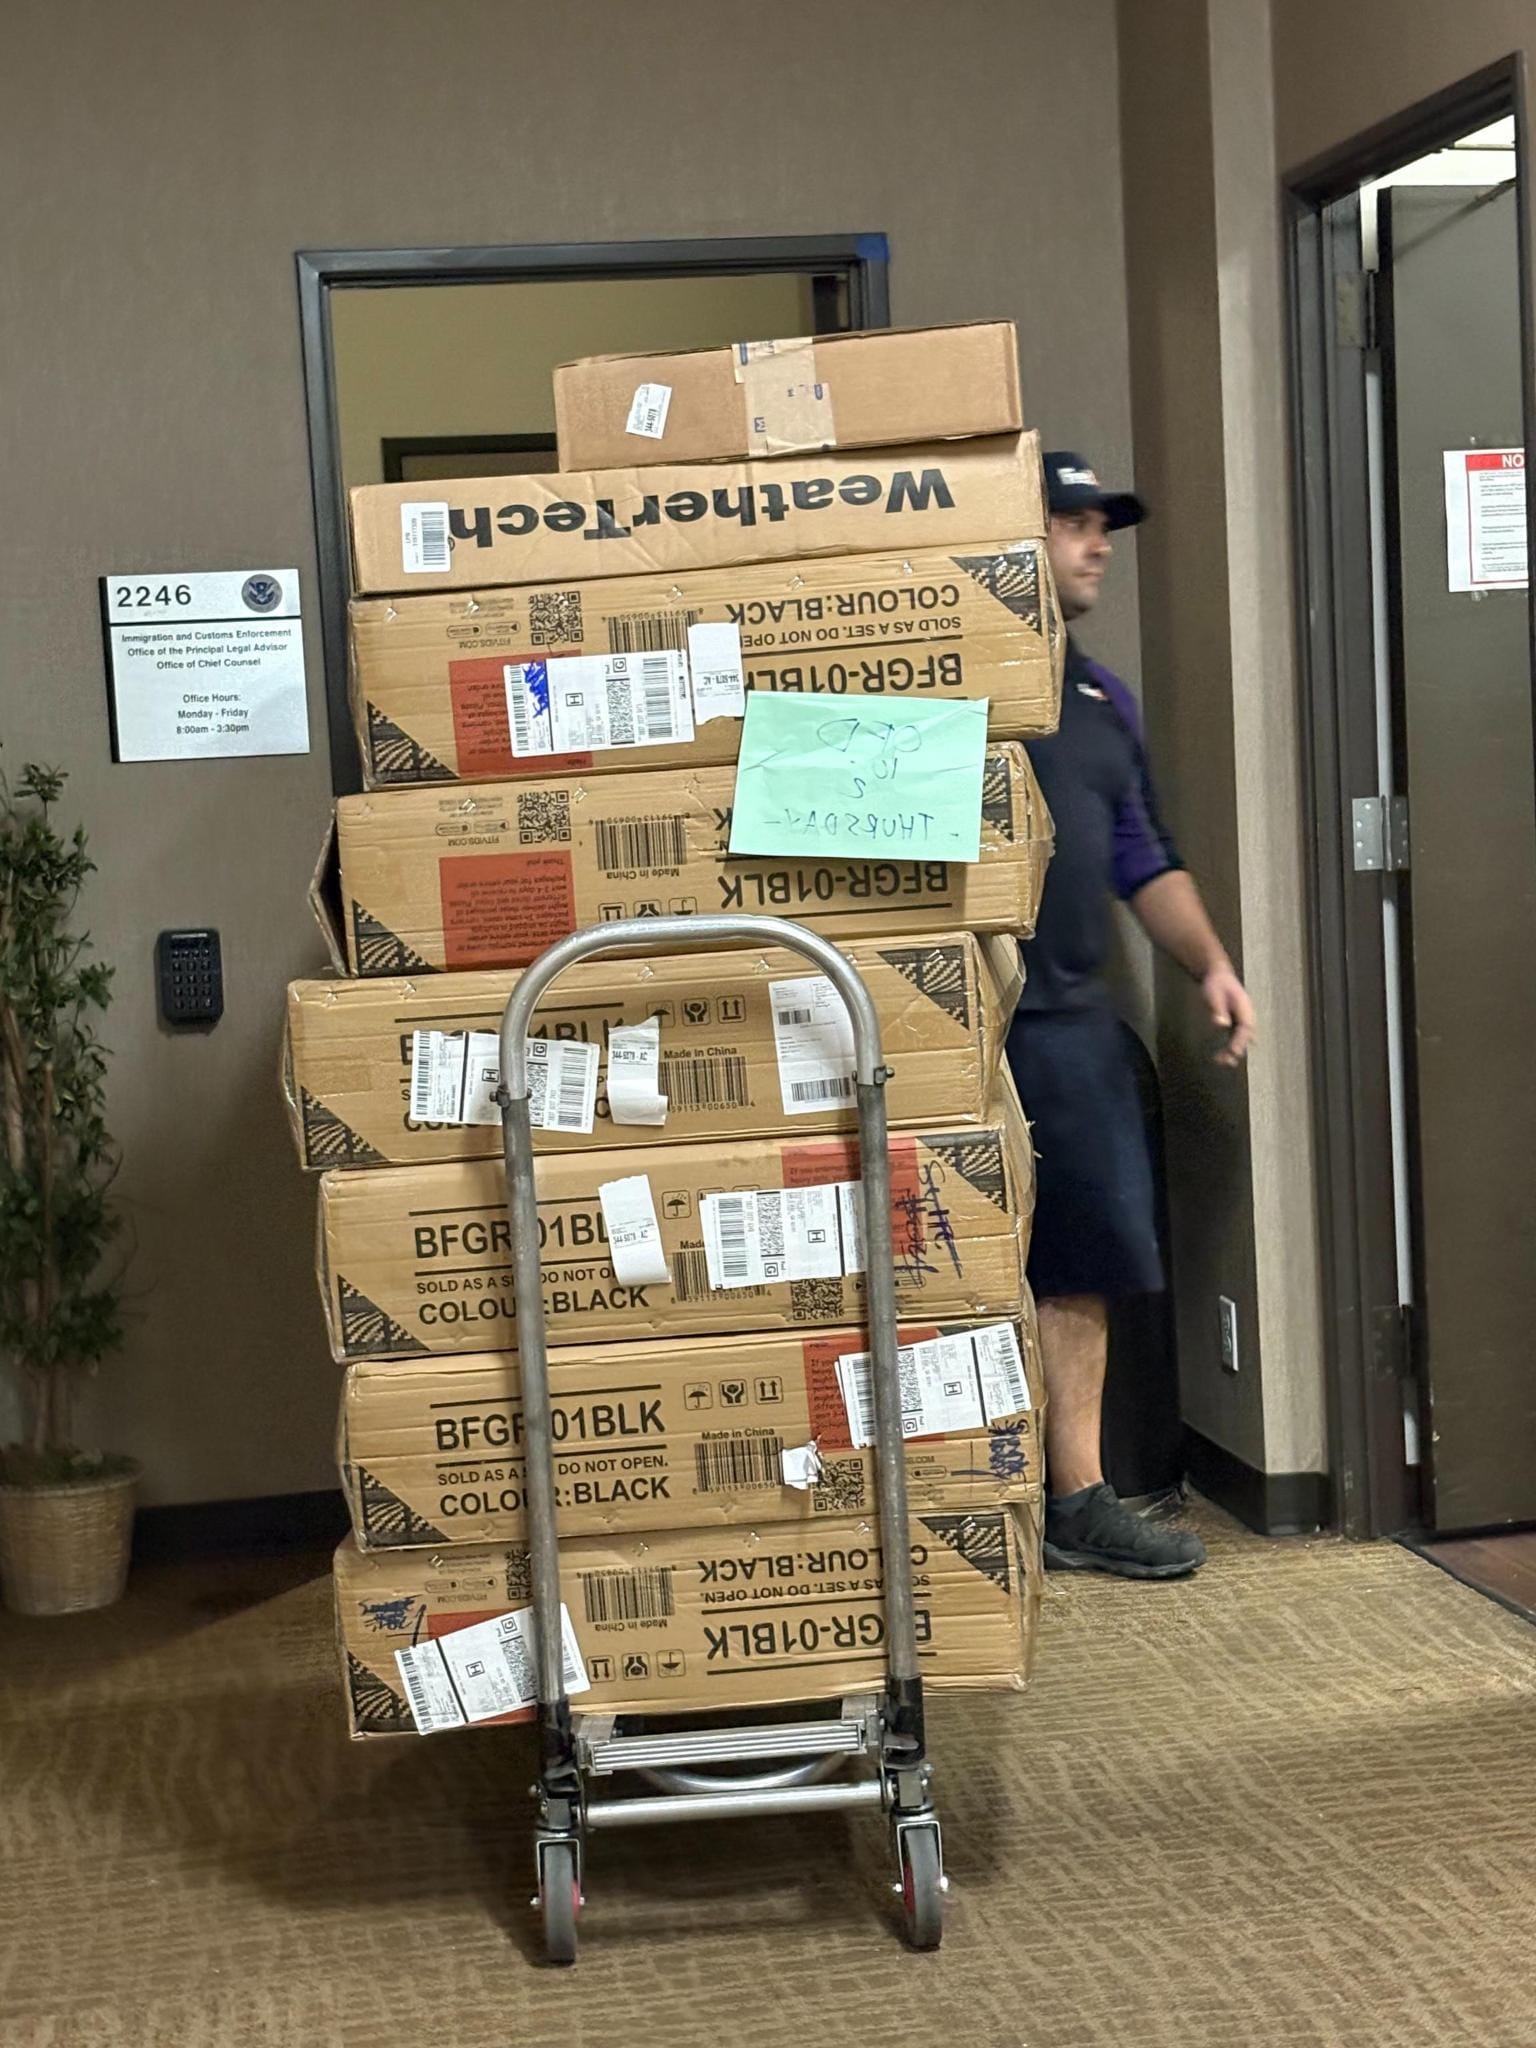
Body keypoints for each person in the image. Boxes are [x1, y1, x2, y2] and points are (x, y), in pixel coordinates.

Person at [1009, 452, 1256, 1579]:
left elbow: (1140, 852)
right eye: (1072, 522)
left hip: (1069, 1017)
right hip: (944, 1022)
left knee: (1082, 1259)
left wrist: (1209, 961)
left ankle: (1079, 1497)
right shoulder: (948, 684)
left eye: (1104, 524)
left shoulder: (1102, 701)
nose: (1097, 542)